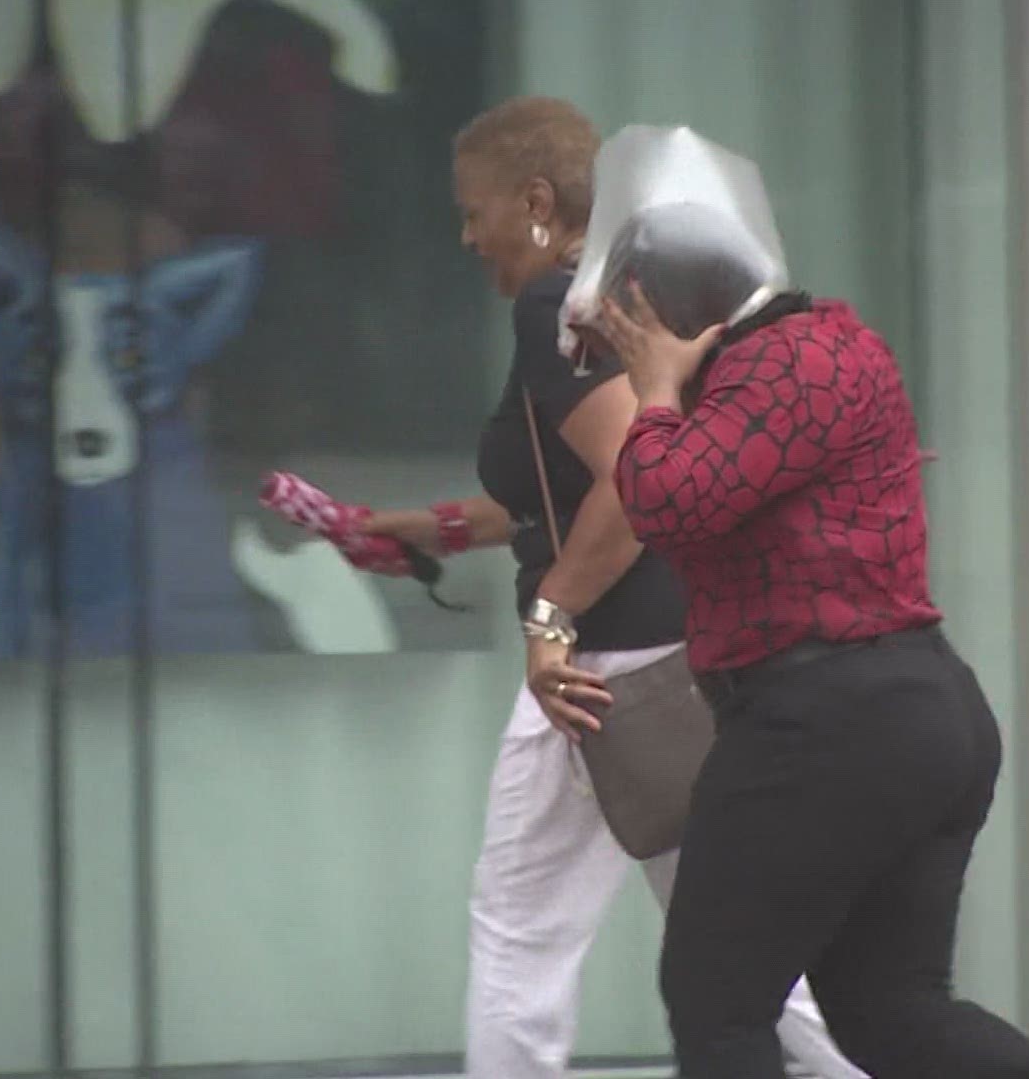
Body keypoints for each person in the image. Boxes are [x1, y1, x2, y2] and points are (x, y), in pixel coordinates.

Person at [350, 97, 862, 1079]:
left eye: (474, 209)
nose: (465, 235)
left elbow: (635, 477)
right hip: (681, 651)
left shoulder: (555, 303)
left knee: (522, 934)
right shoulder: (635, 292)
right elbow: (574, 485)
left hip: (601, 671)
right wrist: (439, 527)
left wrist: (551, 618)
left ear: (537, 201)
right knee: (739, 943)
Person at [594, 197, 1029, 1078]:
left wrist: (657, 391)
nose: (623, 347)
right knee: (888, 1011)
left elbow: (668, 502)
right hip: (902, 710)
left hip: (825, 721)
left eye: (629, 322)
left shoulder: (791, 361)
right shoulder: (812, 348)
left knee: (717, 1008)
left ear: (664, 307)